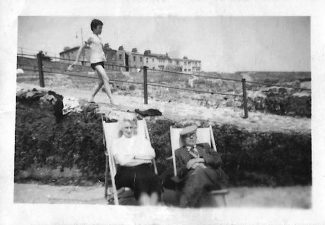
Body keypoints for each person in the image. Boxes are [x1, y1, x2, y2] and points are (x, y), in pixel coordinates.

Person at [111, 116, 162, 204]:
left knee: (154, 178)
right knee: (140, 178)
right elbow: (122, 161)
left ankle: (153, 205)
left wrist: (133, 157)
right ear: (121, 128)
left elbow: (152, 155)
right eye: (126, 127)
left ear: (134, 128)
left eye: (131, 127)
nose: (129, 130)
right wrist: (142, 158)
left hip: (144, 169)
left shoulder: (142, 140)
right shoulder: (116, 143)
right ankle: (146, 205)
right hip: (125, 171)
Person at [174, 125, 228, 207]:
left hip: (210, 174)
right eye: (188, 137)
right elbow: (179, 172)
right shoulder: (179, 152)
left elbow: (218, 160)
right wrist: (188, 167)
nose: (192, 138)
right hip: (194, 177)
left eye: (193, 135)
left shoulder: (205, 146)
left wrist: (200, 160)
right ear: (183, 139)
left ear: (196, 137)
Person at [69, 19, 114, 104]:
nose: (101, 30)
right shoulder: (91, 37)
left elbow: (99, 49)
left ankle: (91, 97)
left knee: (101, 82)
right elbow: (81, 47)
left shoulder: (100, 38)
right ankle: (112, 100)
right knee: (106, 78)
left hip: (100, 61)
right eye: (99, 28)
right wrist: (76, 60)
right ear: (94, 28)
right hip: (95, 61)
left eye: (102, 28)